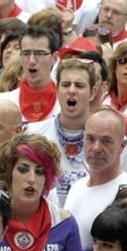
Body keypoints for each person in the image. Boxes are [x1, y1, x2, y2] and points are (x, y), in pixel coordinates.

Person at [0, 135, 82, 251]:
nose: (32, 179)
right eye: (23, 169)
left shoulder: (65, 224)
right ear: (8, 173)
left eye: (40, 171)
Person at [23, 59, 95, 205]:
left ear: (92, 93)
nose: (71, 90)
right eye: (66, 85)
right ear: (57, 90)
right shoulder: (33, 134)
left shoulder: (108, 139)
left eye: (79, 86)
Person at [64, 108, 127, 250]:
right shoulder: (77, 187)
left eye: (106, 141)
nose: (96, 148)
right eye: (90, 139)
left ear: (122, 146)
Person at [0, 26, 61, 123]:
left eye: (39, 53)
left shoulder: (65, 103)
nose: (32, 61)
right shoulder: (3, 102)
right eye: (26, 53)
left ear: (54, 58)